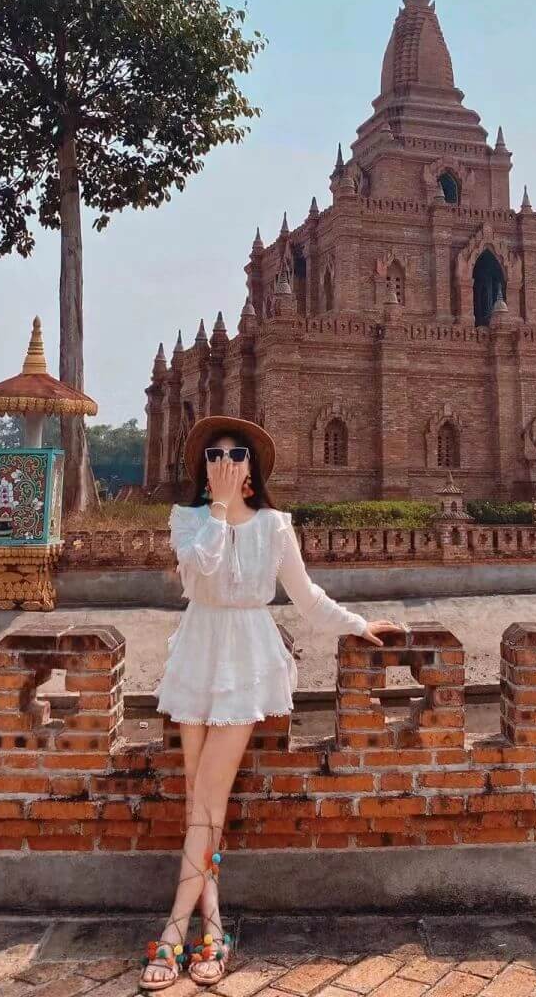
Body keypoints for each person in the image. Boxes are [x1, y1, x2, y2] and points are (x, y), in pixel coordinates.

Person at [140, 414, 405, 990]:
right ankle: (212, 927)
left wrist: (357, 624)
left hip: (244, 660)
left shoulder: (276, 526)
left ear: (252, 470)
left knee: (209, 800)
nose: (224, 462)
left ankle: (174, 929)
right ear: (203, 469)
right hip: (198, 652)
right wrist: (216, 510)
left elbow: (306, 598)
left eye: (236, 455)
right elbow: (199, 573)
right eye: (214, 455)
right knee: (198, 802)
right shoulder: (187, 520)